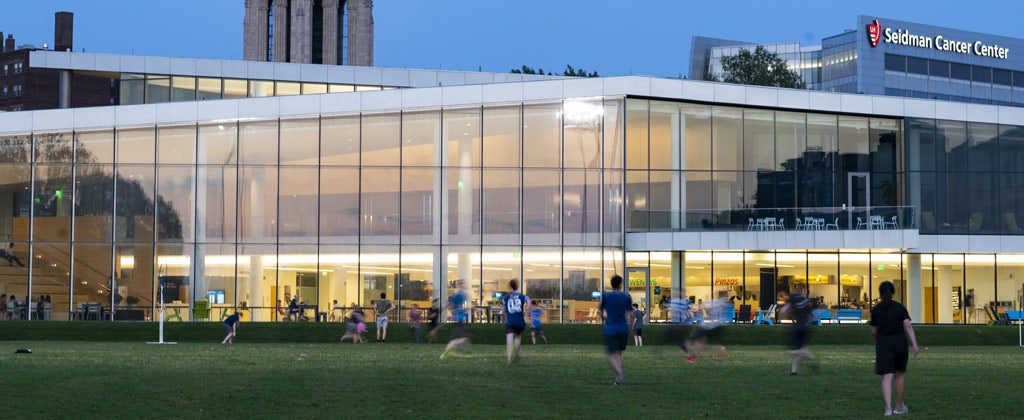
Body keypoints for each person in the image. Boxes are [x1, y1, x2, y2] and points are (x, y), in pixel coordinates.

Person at [870, 281, 920, 416]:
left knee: (887, 377)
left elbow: (874, 331)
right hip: (900, 343)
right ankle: (898, 406)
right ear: (893, 293)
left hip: (884, 343)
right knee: (899, 375)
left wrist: (879, 341)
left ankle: (888, 409)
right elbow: (908, 325)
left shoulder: (876, 309)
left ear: (880, 294)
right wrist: (915, 344)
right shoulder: (900, 308)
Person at [600, 274, 632, 385]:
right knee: (618, 353)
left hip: (610, 328)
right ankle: (618, 380)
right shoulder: (627, 296)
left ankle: (619, 373)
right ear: (620, 284)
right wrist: (632, 328)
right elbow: (631, 313)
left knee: (609, 353)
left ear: (611, 284)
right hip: (623, 328)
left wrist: (604, 319)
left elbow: (600, 312)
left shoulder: (606, 296)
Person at [684, 297, 730, 363]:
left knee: (690, 342)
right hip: (712, 326)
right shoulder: (722, 306)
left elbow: (707, 311)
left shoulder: (716, 304)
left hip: (706, 326)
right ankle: (724, 356)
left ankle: (691, 357)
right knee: (702, 342)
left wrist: (703, 309)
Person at [781, 285, 814, 375]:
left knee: (791, 351)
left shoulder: (791, 299)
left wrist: (786, 316)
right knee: (800, 350)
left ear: (794, 290)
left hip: (797, 327)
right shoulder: (806, 300)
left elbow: (784, 310)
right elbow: (810, 315)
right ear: (803, 291)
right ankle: (793, 371)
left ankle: (807, 353)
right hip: (805, 327)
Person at [501, 279, 530, 365]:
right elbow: (529, 302)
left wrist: (506, 317)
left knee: (509, 339)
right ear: (517, 286)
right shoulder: (522, 296)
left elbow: (503, 310)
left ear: (510, 286)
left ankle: (509, 359)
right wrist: (528, 313)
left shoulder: (506, 298)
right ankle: (516, 355)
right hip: (520, 322)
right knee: (518, 337)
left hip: (510, 321)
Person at [441, 280, 471, 358]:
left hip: (459, 318)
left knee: (461, 338)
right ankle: (448, 350)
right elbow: (450, 305)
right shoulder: (460, 294)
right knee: (462, 338)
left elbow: (449, 305)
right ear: (460, 285)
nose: (465, 285)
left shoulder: (458, 294)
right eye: (463, 284)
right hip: (460, 318)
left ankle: (448, 350)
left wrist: (453, 310)